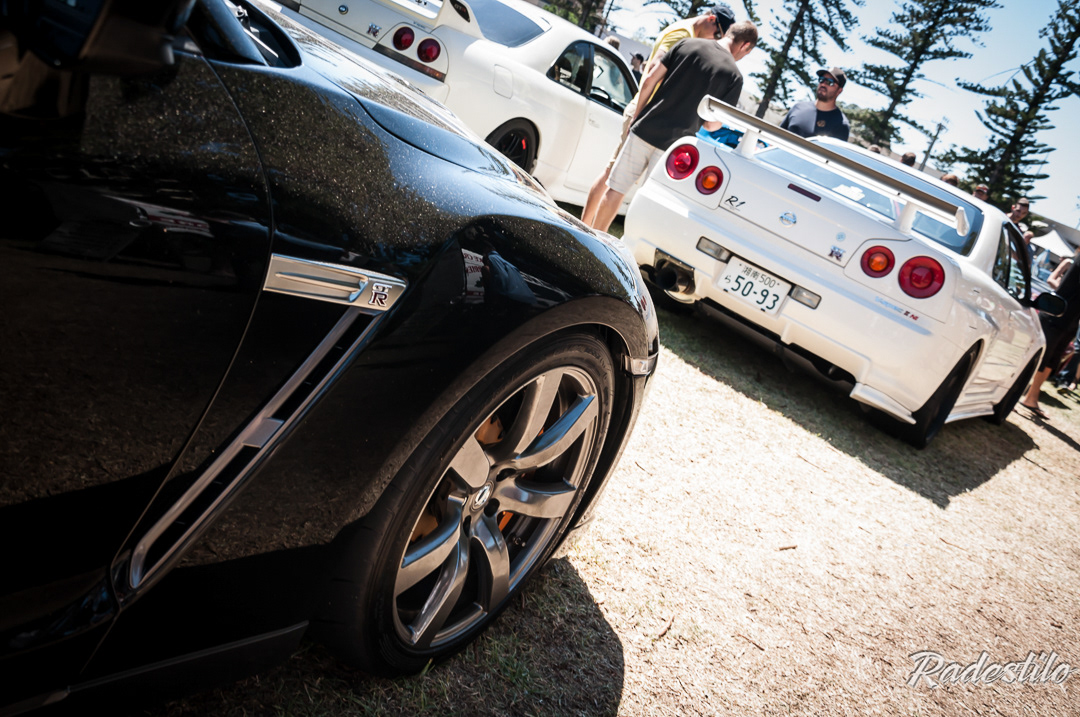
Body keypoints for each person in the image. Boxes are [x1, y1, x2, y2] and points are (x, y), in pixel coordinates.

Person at [588, 22, 759, 233]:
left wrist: (638, 115)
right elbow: (712, 125)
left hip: (645, 127)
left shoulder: (687, 44)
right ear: (745, 45)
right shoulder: (734, 76)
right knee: (650, 202)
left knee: (615, 189)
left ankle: (595, 238)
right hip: (675, 148)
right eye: (746, 53)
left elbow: (649, 79)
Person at [1019, 249, 1080, 419]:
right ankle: (1015, 394)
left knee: (1052, 360)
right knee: (1039, 357)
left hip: (1069, 321)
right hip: (1055, 315)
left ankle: (1031, 398)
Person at [779, 67, 850, 141]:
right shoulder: (798, 108)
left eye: (829, 82)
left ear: (839, 90)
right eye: (821, 79)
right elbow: (777, 138)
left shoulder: (841, 124)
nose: (823, 84)